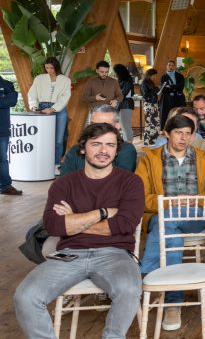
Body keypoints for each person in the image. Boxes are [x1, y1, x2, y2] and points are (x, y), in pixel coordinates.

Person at [14, 123, 144, 339]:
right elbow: (54, 225)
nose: (104, 151)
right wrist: (102, 213)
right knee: (25, 296)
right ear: (83, 148)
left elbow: (125, 224)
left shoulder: (130, 182)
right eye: (97, 144)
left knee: (129, 290)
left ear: (116, 150)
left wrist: (74, 220)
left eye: (110, 145)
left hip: (114, 253)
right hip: (69, 253)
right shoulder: (63, 184)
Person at [136, 113, 205, 330]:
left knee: (168, 225)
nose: (183, 138)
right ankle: (173, 302)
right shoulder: (149, 158)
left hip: (195, 216)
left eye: (188, 134)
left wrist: (193, 201)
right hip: (161, 215)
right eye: (178, 133)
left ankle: (144, 276)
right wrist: (171, 203)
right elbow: (141, 198)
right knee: (170, 229)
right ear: (166, 134)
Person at [60, 104, 138, 175]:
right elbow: (63, 184)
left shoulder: (126, 150)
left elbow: (122, 181)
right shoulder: (76, 150)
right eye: (93, 124)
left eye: (104, 125)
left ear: (117, 126)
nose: (97, 129)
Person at [28, 56, 72, 170]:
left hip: (59, 110)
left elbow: (65, 97)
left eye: (51, 68)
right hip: (42, 109)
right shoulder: (39, 78)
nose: (49, 70)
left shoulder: (65, 80)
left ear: (56, 67)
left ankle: (56, 165)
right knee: (42, 138)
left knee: (58, 139)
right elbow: (32, 94)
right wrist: (33, 106)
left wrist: (53, 109)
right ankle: (42, 164)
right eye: (47, 68)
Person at [1, 72, 23, 195]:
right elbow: (5, 101)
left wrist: (5, 100)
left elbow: (12, 101)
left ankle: (5, 186)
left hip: (2, 130)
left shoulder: (7, 85)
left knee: (2, 159)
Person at [113, 64, 136, 143]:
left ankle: (129, 144)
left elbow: (122, 94)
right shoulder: (127, 80)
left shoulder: (126, 81)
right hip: (126, 103)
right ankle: (128, 143)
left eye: (115, 72)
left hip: (125, 104)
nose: (115, 74)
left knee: (125, 126)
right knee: (124, 126)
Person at [157, 60, 186, 124]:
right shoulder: (163, 77)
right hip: (167, 99)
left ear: (175, 67)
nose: (171, 67)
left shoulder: (180, 76)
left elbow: (181, 87)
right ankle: (166, 129)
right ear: (166, 66)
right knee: (167, 115)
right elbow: (164, 89)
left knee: (179, 114)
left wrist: (171, 86)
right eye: (169, 65)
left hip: (178, 98)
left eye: (172, 65)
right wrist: (175, 87)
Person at [140, 68, 161, 144]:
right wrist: (154, 91)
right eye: (154, 75)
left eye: (155, 76)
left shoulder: (151, 83)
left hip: (153, 104)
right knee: (150, 124)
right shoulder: (144, 83)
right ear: (149, 75)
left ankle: (154, 141)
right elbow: (145, 96)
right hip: (149, 105)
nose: (155, 77)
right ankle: (148, 142)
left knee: (155, 124)